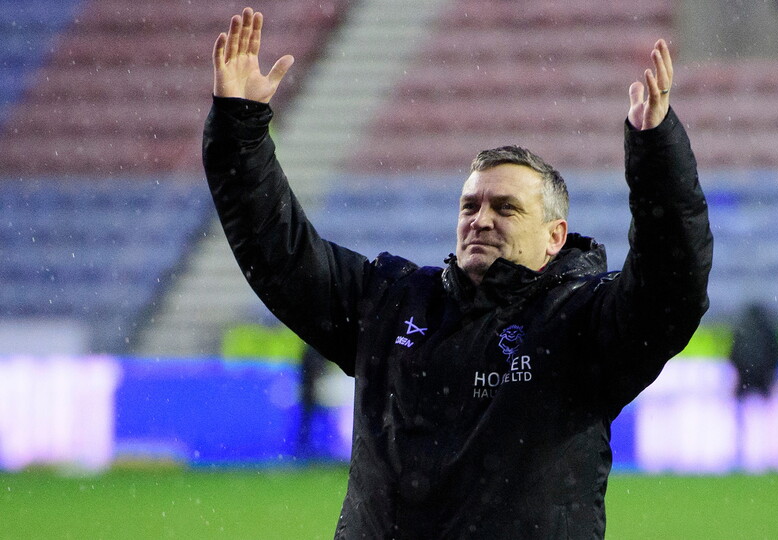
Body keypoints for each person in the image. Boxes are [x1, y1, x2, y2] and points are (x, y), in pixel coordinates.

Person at [204, 7, 712, 538]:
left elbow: (672, 286)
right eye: (470, 206)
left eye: (505, 208)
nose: (481, 220)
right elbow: (280, 254)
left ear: (554, 237)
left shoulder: (583, 321)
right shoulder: (392, 300)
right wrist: (239, 127)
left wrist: (656, 151)